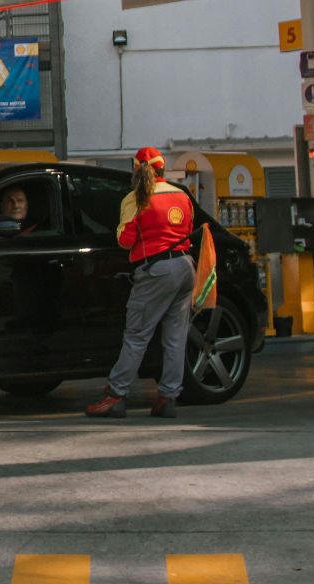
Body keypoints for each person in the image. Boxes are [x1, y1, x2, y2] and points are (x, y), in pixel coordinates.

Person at [86, 146, 195, 420]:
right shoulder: (181, 195)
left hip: (156, 270)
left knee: (137, 336)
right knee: (175, 336)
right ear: (163, 168)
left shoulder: (136, 199)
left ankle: (116, 394)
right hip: (185, 266)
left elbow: (124, 241)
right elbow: (189, 227)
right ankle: (168, 398)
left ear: (136, 169)